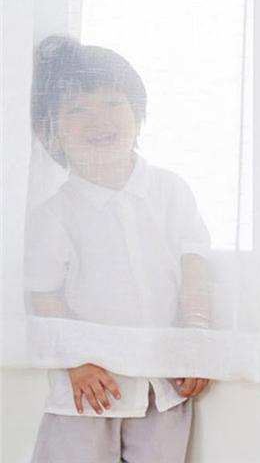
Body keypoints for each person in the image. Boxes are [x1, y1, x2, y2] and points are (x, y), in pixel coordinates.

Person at [25, 34, 213, 463]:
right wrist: (75, 361)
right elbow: (45, 294)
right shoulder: (54, 214)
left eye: (112, 103)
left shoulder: (170, 191)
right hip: (90, 383)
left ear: (138, 115)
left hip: (163, 380)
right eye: (77, 110)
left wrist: (196, 338)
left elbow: (194, 267)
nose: (99, 119)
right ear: (48, 134)